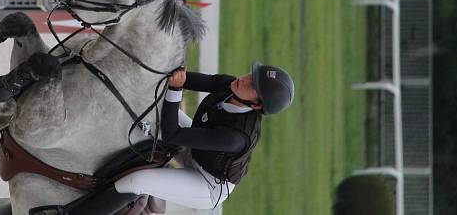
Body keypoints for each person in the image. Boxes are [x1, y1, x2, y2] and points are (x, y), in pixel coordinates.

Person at [70, 61, 295, 213]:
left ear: (256, 105)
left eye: (253, 85)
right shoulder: (232, 86)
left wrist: (176, 88)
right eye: (251, 75)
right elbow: (184, 79)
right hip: (199, 148)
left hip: (207, 183)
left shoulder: (237, 137)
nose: (244, 79)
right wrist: (174, 70)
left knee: (137, 182)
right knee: (155, 107)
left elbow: (173, 133)